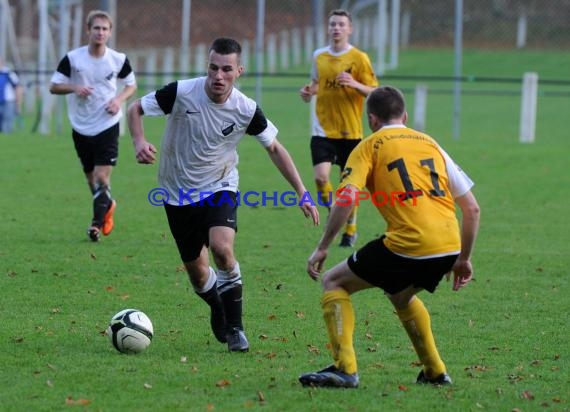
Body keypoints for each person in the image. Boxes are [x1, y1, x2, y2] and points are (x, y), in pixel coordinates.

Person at [127, 37, 319, 352]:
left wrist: (302, 192)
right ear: (207, 66)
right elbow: (135, 109)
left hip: (220, 184)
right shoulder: (181, 92)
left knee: (221, 249)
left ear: (238, 71)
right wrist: (138, 141)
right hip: (176, 192)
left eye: (226, 69)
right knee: (198, 274)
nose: (218, 76)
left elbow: (274, 147)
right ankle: (219, 307)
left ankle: (236, 330)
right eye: (213, 68)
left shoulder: (245, 108)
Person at [299, 86, 480, 388]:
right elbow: (472, 209)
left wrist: (323, 247)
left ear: (371, 119)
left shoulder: (369, 145)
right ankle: (435, 371)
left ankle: (345, 368)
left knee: (333, 281)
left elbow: (346, 198)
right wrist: (463, 259)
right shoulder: (431, 144)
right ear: (405, 116)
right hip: (449, 245)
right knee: (400, 295)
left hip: (409, 244)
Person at [49, 10, 137, 242]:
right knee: (91, 181)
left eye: (105, 29)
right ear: (88, 30)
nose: (100, 32)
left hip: (107, 124)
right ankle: (108, 204)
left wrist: (118, 101)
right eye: (96, 28)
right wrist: (75, 88)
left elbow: (131, 85)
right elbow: (54, 86)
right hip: (80, 126)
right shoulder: (73, 59)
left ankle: (95, 225)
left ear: (109, 32)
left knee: (101, 177)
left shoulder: (117, 59)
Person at [299, 9, 378, 248]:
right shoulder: (319, 56)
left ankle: (350, 227)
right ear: (328, 28)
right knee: (321, 178)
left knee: (348, 187)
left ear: (349, 29)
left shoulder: (359, 58)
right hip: (322, 129)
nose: (336, 28)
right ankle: (335, 213)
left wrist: (354, 83)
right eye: (333, 24)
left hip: (351, 132)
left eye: (341, 25)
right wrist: (308, 91)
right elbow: (316, 84)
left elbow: (374, 90)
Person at [0, 57, 23, 133]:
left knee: (7, 123)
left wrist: (18, 103)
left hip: (8, 102)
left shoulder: (8, 73)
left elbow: (18, 88)